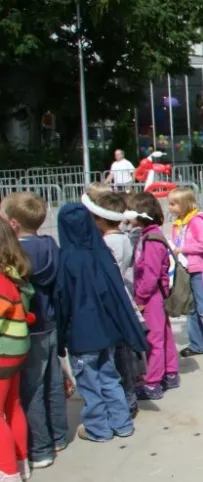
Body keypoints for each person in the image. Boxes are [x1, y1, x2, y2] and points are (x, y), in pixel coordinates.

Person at [54, 201, 148, 443]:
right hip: (108, 332)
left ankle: (98, 428)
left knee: (89, 383)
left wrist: (60, 337)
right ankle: (122, 423)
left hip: (81, 335)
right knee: (109, 377)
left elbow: (62, 301)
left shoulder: (66, 259)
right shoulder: (102, 253)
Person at [1, 192, 67, 471]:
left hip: (29, 328)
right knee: (53, 382)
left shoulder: (16, 253)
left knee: (32, 390)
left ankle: (39, 448)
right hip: (51, 323)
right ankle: (59, 436)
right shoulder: (50, 245)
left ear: (13, 223)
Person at [128, 193, 180, 401]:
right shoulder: (151, 235)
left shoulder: (151, 240)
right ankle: (170, 372)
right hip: (156, 294)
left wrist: (140, 299)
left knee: (154, 340)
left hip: (151, 297)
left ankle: (153, 383)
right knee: (163, 334)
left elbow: (150, 274)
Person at [167, 187, 203, 363]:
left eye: (173, 204)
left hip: (197, 268)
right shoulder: (179, 223)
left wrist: (183, 249)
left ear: (184, 204)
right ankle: (197, 344)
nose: (170, 207)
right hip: (185, 268)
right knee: (191, 309)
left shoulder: (196, 221)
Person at [0, 218, 33, 482]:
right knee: (12, 406)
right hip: (17, 350)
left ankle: (7, 471)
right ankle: (22, 463)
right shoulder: (15, 274)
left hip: (3, 352)